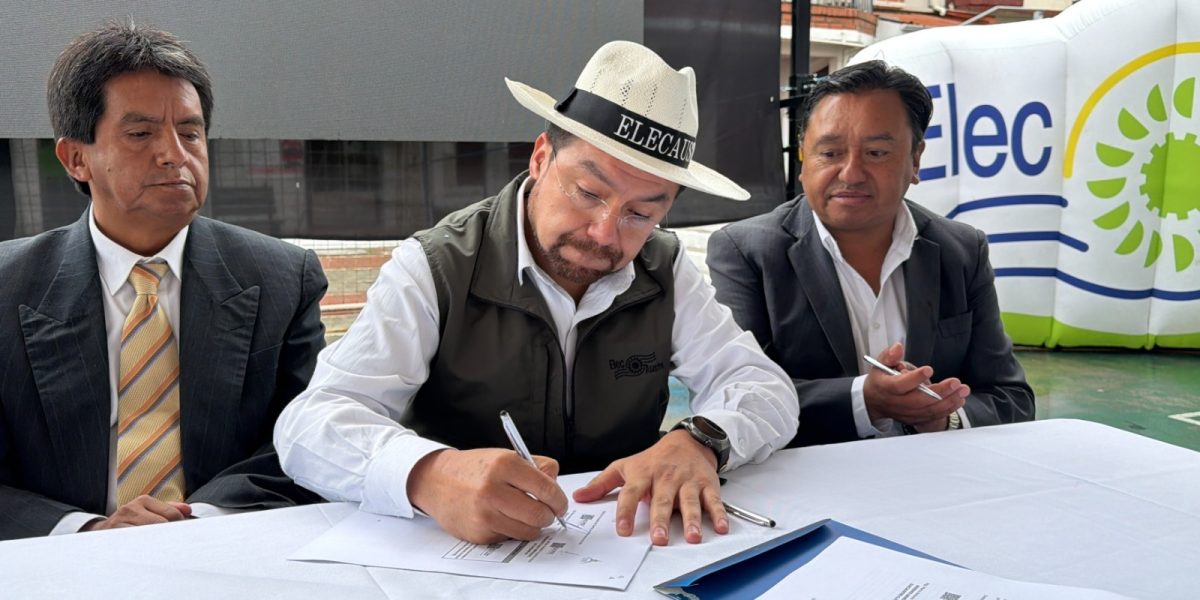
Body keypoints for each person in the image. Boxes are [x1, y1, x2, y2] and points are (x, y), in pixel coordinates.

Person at [275, 41, 798, 547]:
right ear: (541, 157)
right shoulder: (438, 265)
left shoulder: (664, 266)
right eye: (588, 192)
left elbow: (763, 386)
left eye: (641, 213)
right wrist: (427, 473)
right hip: (459, 557)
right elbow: (311, 423)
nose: (604, 233)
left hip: (622, 543)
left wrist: (701, 440)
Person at [0, 22, 327, 541]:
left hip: (224, 545)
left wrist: (191, 523)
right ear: (76, 158)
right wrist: (86, 531)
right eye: (141, 134)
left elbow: (306, 440)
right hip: (57, 560)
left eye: (190, 133)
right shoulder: (8, 287)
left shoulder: (283, 279)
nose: (175, 154)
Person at [707, 60, 1034, 447]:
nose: (851, 173)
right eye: (830, 153)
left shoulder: (961, 251)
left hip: (934, 474)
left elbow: (1010, 398)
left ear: (915, 159)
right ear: (803, 158)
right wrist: (865, 401)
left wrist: (943, 417)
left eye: (876, 153)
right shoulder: (746, 252)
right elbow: (738, 398)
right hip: (809, 476)